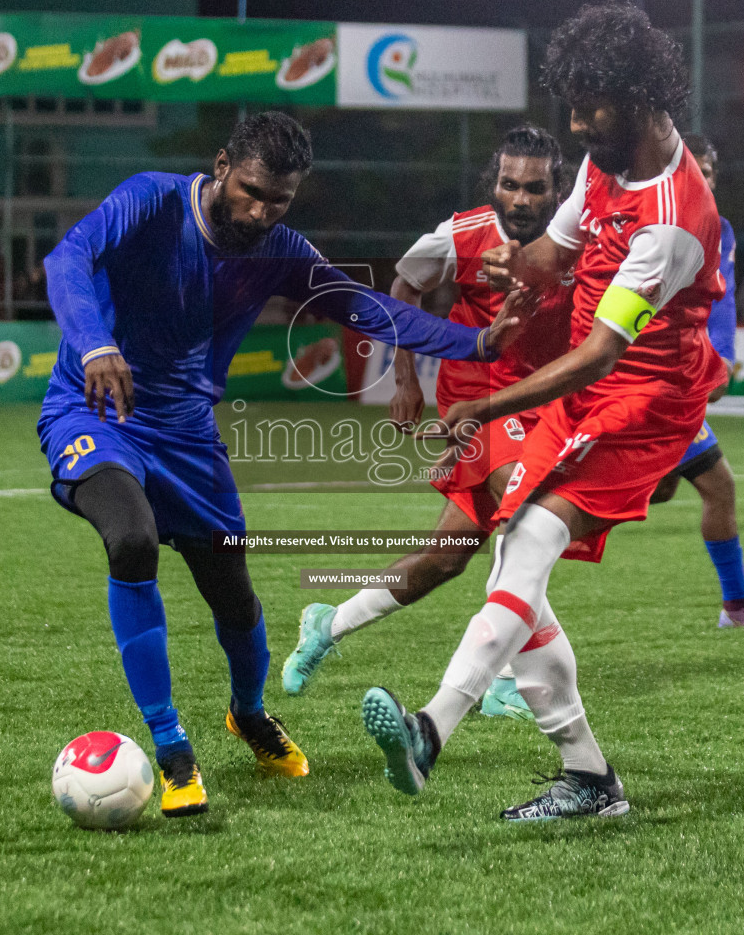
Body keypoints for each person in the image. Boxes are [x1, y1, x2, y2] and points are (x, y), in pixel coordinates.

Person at [39, 111, 527, 819]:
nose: (260, 211)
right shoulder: (151, 200)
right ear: (221, 165)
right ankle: (171, 744)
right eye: (251, 191)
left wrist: (475, 343)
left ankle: (248, 712)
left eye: (279, 200)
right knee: (132, 539)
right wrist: (92, 344)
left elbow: (364, 307)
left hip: (188, 437)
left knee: (234, 597)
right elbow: (67, 259)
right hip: (95, 408)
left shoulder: (281, 249)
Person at [359, 2, 728, 821]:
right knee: (513, 572)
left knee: (523, 542)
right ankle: (589, 779)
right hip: (586, 392)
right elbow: (551, 255)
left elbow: (601, 352)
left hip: (643, 400)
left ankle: (431, 730)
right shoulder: (606, 160)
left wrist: (483, 400)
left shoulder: (671, 220)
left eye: (587, 103)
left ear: (632, 96)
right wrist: (506, 267)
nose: (573, 120)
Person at [281, 124, 575, 719]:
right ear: (493, 184)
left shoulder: (577, 239)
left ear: (556, 190)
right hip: (480, 397)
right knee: (529, 515)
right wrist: (406, 379)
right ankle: (503, 677)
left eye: (534, 188)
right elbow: (404, 287)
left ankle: (327, 623)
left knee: (445, 557)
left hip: (543, 403)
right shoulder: (459, 236)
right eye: (508, 184)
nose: (519, 198)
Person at [648, 135, 744, 629]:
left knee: (674, 490)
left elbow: (722, 300)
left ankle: (736, 606)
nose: (704, 180)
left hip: (680, 379)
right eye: (697, 170)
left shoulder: (721, 229)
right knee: (715, 486)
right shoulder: (657, 224)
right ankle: (538, 535)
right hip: (648, 379)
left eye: (710, 172)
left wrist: (723, 356)